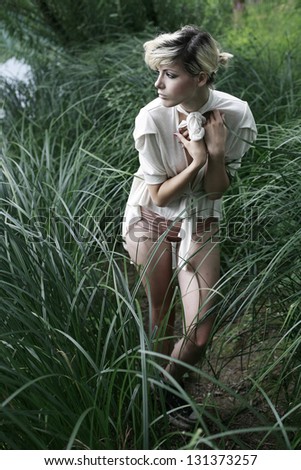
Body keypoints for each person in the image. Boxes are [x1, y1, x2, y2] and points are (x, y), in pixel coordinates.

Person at [122, 25, 257, 428]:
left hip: (201, 214)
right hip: (149, 214)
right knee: (161, 312)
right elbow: (160, 195)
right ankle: (160, 405)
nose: (158, 83)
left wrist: (214, 152)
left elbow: (216, 190)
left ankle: (162, 389)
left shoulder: (234, 113)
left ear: (200, 77)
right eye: (158, 72)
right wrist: (196, 161)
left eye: (170, 74)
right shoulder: (151, 117)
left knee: (198, 332)